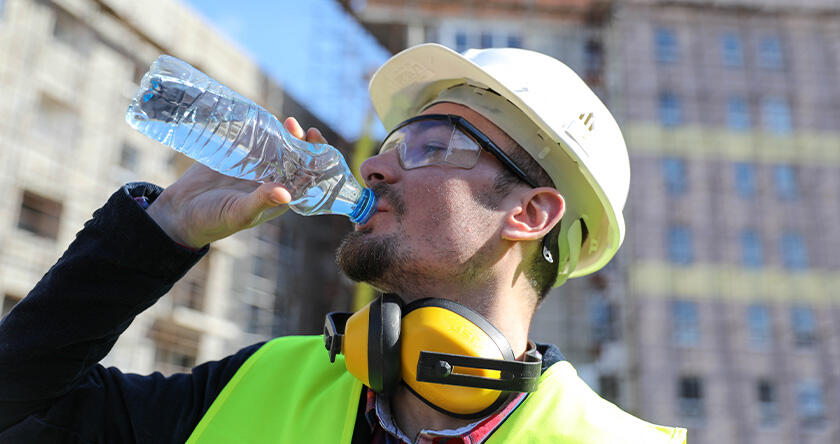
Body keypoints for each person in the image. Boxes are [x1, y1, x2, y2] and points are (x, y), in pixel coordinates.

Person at [0, 44, 686, 443]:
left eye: (430, 146)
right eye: (391, 143)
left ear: (531, 212)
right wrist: (161, 230)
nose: (375, 166)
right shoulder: (258, 383)